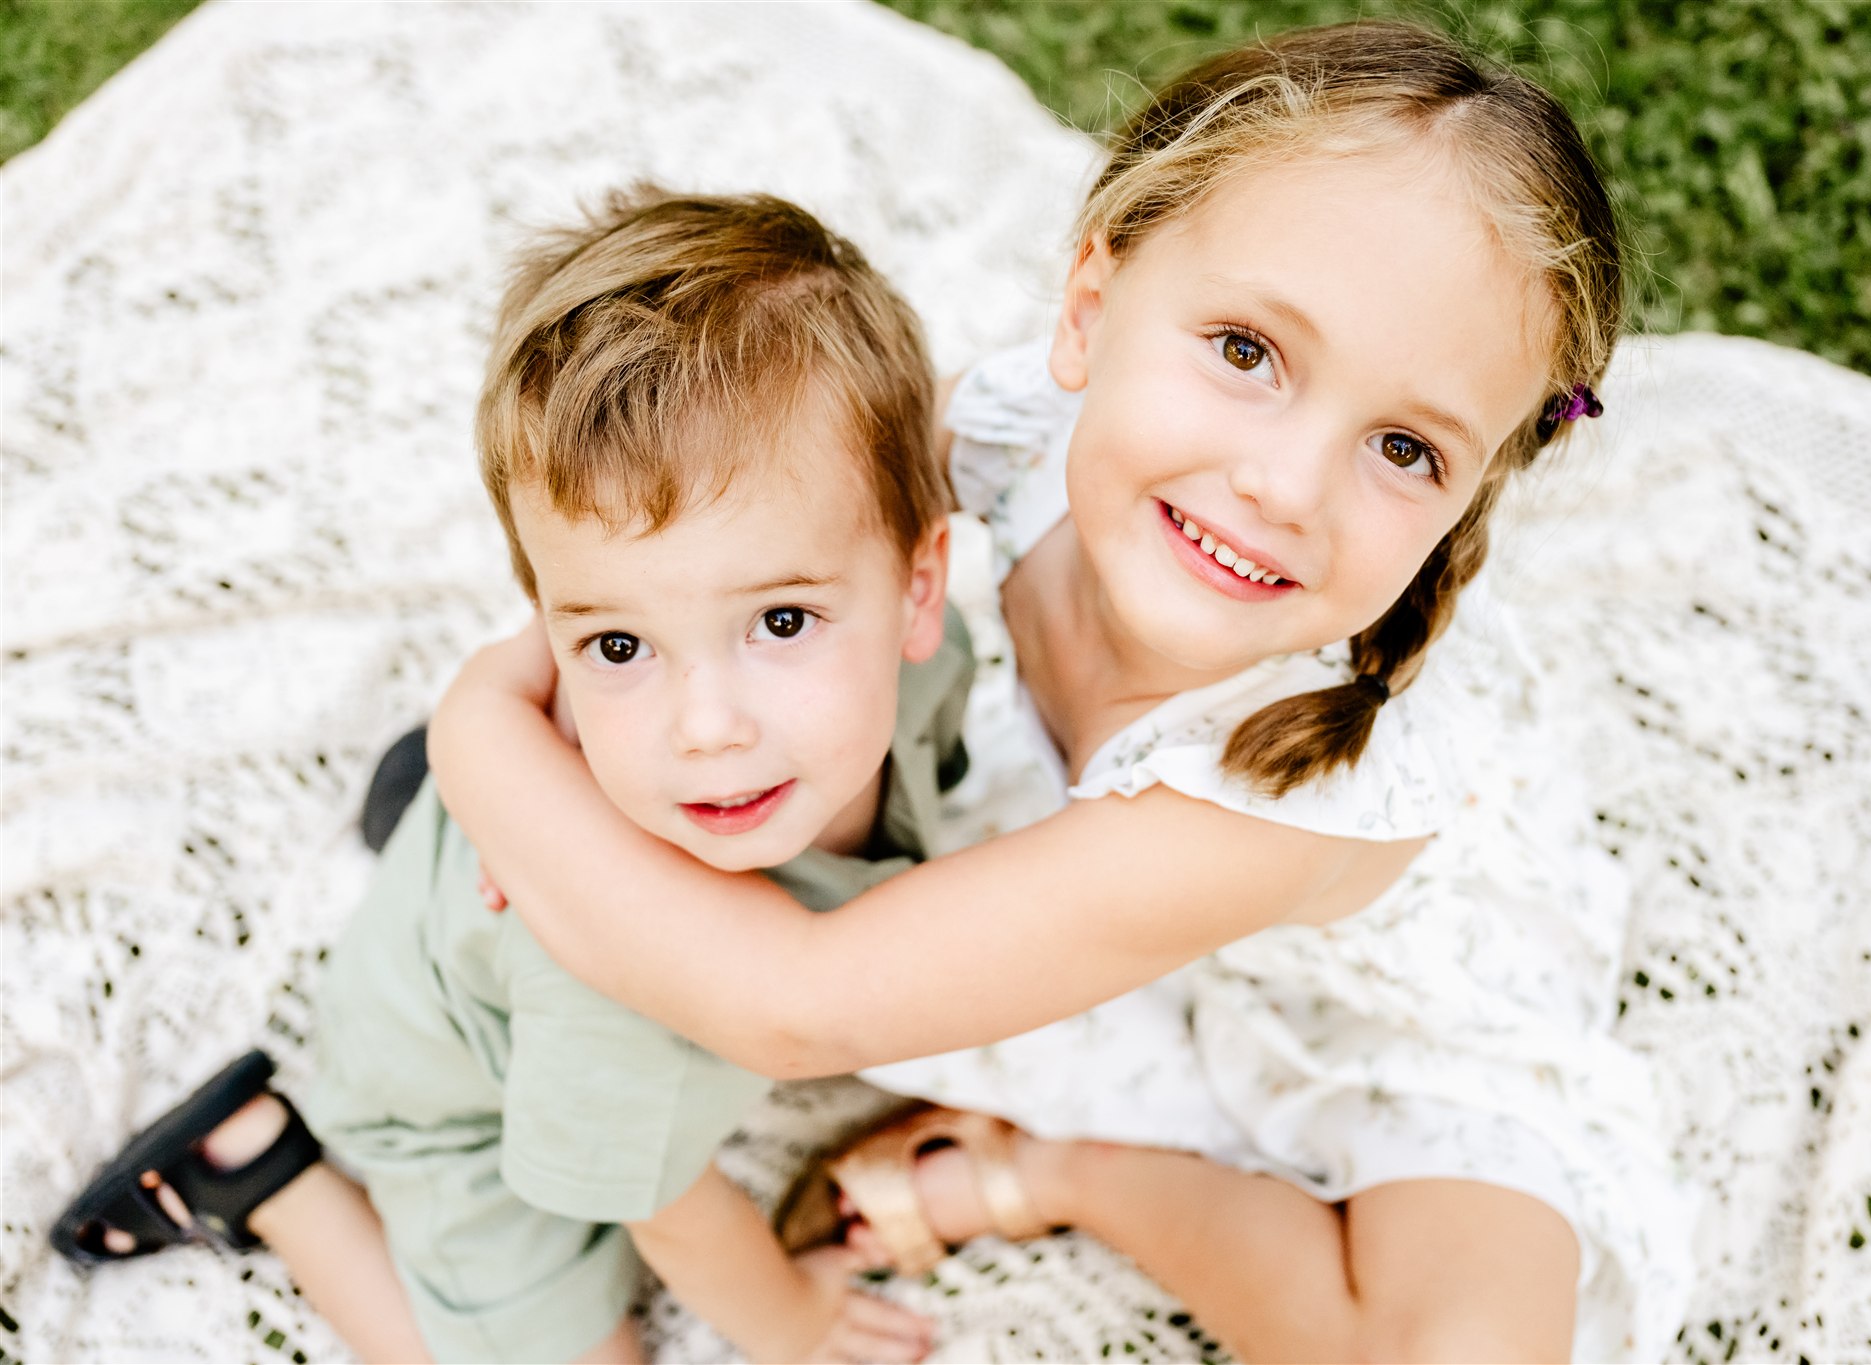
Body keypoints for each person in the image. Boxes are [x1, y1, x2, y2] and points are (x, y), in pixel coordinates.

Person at [429, 21, 1695, 1363]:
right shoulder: (1027, 423)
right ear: (1091, 306)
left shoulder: (1293, 784)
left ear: (1465, 495)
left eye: (1402, 447)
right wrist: (560, 684)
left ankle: (1067, 1170)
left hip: (1373, 1003)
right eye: (1249, 352)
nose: (1284, 486)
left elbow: (795, 1003)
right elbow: (736, 535)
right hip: (1125, 895)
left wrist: (484, 741)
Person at [47, 187, 962, 1365]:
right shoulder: (612, 972)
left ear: (917, 591)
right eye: (616, 647)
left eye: (781, 620)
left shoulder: (938, 668)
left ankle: (427, 810)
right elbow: (664, 1205)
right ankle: (254, 1165)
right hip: (454, 1116)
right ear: (550, 628)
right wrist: (787, 1320)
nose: (705, 727)